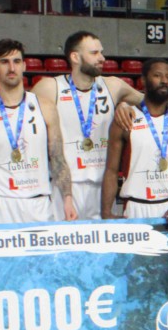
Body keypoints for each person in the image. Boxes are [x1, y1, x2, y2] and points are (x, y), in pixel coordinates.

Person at [32, 31, 143, 220]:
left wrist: (126, 105)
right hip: (65, 187)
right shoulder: (50, 87)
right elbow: (16, 107)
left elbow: (154, 103)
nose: (102, 58)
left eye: (101, 52)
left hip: (104, 187)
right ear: (75, 57)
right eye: (94, 53)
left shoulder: (113, 86)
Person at [0, 39, 76, 223]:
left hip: (38, 203)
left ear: (24, 65)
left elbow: (58, 158)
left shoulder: (45, 107)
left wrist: (68, 198)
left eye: (16, 61)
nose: (11, 68)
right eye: (4, 62)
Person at [101, 60, 168, 225]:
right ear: (144, 80)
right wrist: (106, 211)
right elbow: (111, 170)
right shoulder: (125, 119)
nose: (164, 81)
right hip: (136, 206)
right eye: (157, 75)